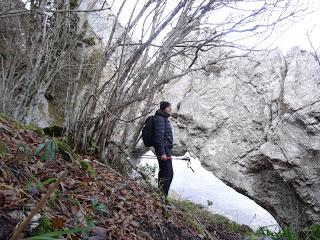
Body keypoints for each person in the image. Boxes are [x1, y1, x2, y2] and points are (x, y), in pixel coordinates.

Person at [153, 101, 174, 201]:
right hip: (164, 149)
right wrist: (162, 153)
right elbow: (158, 137)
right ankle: (162, 197)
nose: (170, 109)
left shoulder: (163, 118)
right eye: (168, 107)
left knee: (164, 172)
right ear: (163, 109)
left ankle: (160, 195)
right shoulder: (160, 119)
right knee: (168, 173)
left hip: (166, 149)